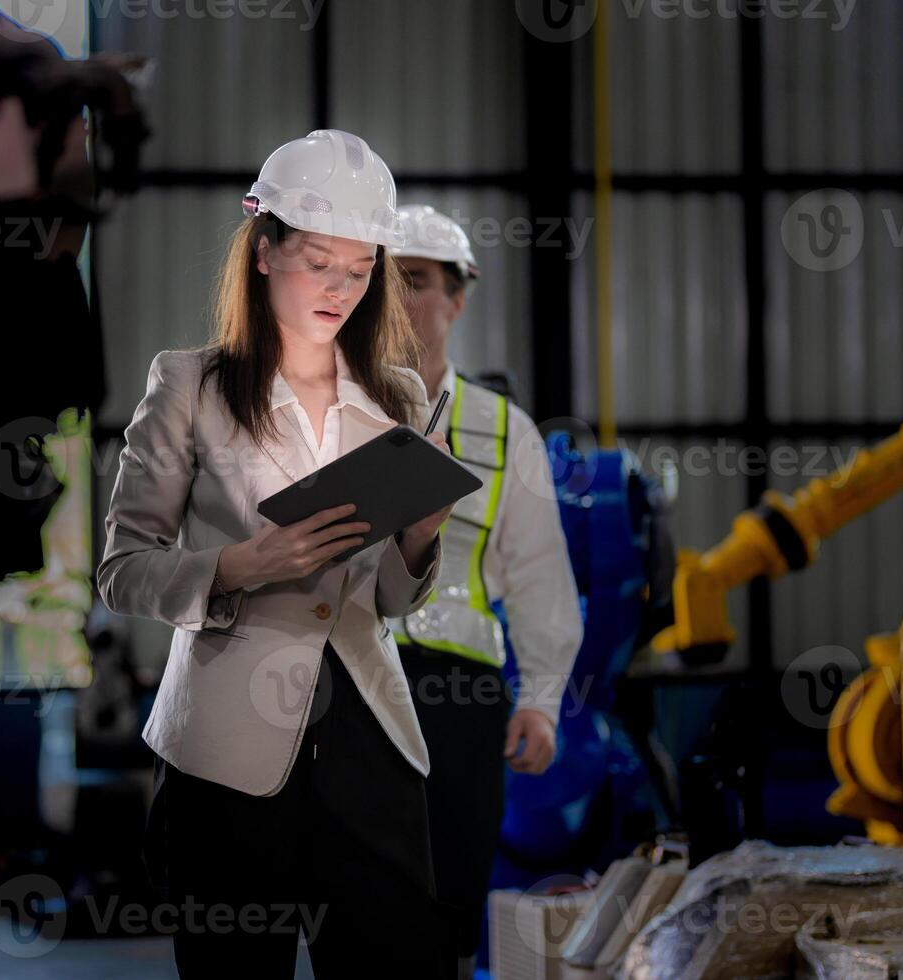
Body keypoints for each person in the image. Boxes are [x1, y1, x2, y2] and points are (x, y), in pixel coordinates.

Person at [97, 131, 457, 979]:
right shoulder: (189, 386)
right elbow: (122, 568)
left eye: (361, 268)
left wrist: (420, 536)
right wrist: (236, 567)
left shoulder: (399, 395)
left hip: (370, 742)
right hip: (226, 750)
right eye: (319, 262)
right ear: (264, 251)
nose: (341, 287)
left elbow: (392, 604)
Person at [388, 204, 585, 979]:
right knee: (359, 894)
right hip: (349, 683)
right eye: (383, 283)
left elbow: (540, 574)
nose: (399, 301)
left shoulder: (507, 433)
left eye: (417, 282)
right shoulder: (327, 415)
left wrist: (540, 696)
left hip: (458, 693)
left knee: (452, 889)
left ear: (458, 298)